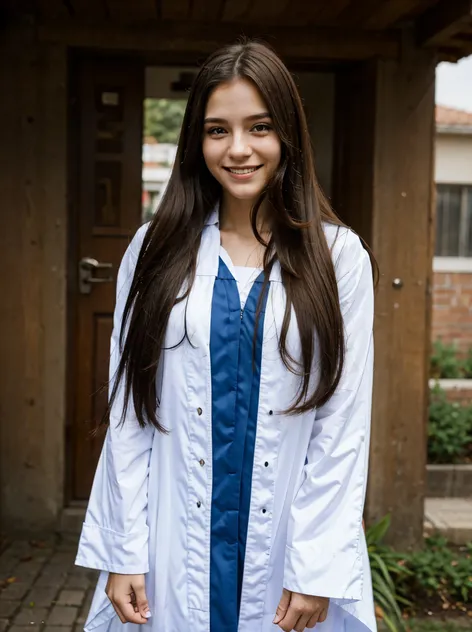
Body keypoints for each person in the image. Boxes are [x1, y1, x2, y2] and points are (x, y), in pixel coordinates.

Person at [75, 39, 377, 632]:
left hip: (287, 538)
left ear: (287, 135)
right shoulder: (153, 249)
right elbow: (129, 414)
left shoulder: (339, 258)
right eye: (218, 130)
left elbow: (342, 426)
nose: (238, 149)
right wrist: (123, 549)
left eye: (258, 127)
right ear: (197, 141)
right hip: (173, 533)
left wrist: (315, 565)